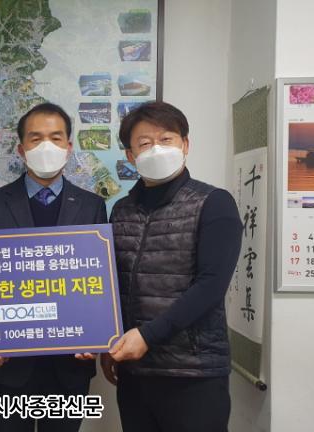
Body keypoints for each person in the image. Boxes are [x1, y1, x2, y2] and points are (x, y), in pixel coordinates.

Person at [103, 101, 242, 432]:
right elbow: (111, 284)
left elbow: (210, 286)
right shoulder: (121, 211)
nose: (157, 149)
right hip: (135, 372)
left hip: (193, 373)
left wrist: (148, 336)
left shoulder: (214, 203)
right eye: (145, 143)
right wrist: (106, 341)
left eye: (166, 139)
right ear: (130, 156)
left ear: (185, 145)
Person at [0, 102, 108, 432]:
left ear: (69, 147)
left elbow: (98, 280)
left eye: (56, 137)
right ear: (21, 149)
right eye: (36, 139)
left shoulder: (92, 206)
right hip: (9, 363)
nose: (46, 146)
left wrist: (96, 336)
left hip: (71, 362)